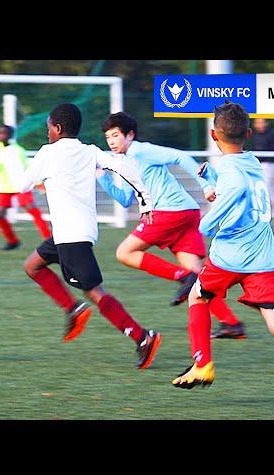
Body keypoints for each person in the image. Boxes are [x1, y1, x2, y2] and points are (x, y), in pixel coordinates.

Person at [171, 101, 274, 417]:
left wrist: (204, 223)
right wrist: (213, 177)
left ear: (214, 135)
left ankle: (202, 365)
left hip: (230, 254)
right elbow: (237, 176)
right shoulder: (253, 161)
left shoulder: (232, 171)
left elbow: (234, 192)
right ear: (247, 133)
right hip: (263, 254)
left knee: (198, 297)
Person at [19, 103, 162, 369]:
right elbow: (125, 168)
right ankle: (72, 309)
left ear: (58, 128)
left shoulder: (47, 154)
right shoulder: (90, 152)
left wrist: (37, 178)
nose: (46, 132)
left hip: (70, 236)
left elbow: (21, 184)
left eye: (48, 127)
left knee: (94, 292)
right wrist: (145, 201)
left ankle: (142, 337)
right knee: (32, 266)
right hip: (72, 232)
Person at [97, 111, 247, 339]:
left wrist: (206, 185)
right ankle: (231, 323)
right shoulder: (126, 162)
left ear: (130, 135)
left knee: (124, 252)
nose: (112, 141)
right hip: (186, 213)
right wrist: (102, 177)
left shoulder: (140, 150)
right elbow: (126, 198)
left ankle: (180, 277)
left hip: (169, 212)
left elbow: (179, 157)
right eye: (108, 138)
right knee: (198, 275)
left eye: (116, 135)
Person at [0, 124, 51, 250]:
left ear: (10, 135)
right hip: (2, 186)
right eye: (0, 133)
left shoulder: (18, 150)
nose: (1, 135)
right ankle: (13, 241)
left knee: (31, 209)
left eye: (4, 133)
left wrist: (37, 183)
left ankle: (49, 238)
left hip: (20, 184)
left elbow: (27, 167)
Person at [248, 118, 274, 217]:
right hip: (256, 164)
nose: (260, 125)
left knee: (265, 185)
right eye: (258, 123)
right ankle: (264, 208)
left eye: (262, 122)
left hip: (268, 164)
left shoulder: (271, 135)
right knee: (260, 186)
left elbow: (273, 151)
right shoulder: (252, 135)